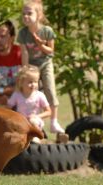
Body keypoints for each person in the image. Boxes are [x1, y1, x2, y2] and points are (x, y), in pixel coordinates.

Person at [17, 0, 66, 134]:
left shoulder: (47, 31)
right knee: (32, 91)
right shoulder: (22, 33)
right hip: (32, 66)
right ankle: (36, 122)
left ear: (38, 15)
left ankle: (54, 121)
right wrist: (25, 69)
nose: (26, 16)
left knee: (50, 89)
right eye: (23, 14)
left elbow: (50, 51)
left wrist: (40, 45)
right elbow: (25, 52)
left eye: (29, 13)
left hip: (45, 63)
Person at [6, 65, 50, 143]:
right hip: (21, 120)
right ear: (21, 82)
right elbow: (8, 108)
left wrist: (37, 116)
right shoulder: (17, 95)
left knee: (32, 121)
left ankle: (35, 138)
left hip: (35, 120)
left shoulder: (39, 95)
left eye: (35, 82)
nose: (33, 84)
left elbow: (48, 112)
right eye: (30, 82)